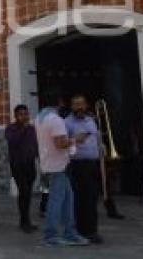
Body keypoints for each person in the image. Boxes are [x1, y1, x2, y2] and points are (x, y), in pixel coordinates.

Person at [35, 92, 89, 247]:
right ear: (59, 102)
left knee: (66, 201)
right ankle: (51, 236)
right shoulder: (55, 119)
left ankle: (69, 233)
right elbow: (60, 144)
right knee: (56, 201)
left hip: (51, 164)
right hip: (59, 166)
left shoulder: (40, 118)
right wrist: (76, 140)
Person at [65, 95, 103, 244]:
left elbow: (94, 139)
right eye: (76, 104)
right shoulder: (66, 123)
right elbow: (62, 144)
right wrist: (74, 139)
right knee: (80, 200)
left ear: (86, 105)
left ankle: (92, 230)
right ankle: (80, 230)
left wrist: (100, 148)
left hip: (92, 164)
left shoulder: (91, 121)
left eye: (81, 104)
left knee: (92, 199)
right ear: (71, 106)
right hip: (77, 166)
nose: (79, 107)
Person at [6, 104, 38, 233]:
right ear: (16, 116)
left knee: (28, 193)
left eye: (26, 114)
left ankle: (26, 220)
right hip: (17, 164)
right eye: (21, 114)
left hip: (30, 163)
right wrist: (23, 129)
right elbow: (13, 141)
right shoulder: (11, 128)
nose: (24, 117)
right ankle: (24, 221)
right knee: (23, 191)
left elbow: (35, 144)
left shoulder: (32, 129)